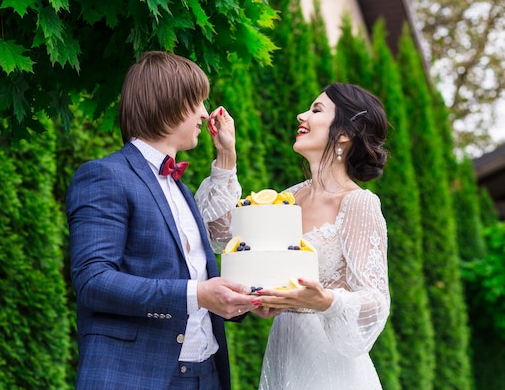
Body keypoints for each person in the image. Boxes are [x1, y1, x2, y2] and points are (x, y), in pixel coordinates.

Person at [65, 51, 256, 390]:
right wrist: (196, 294)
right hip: (137, 376)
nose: (203, 113)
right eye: (196, 101)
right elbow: (93, 281)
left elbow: (197, 275)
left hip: (207, 375)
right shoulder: (104, 175)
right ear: (167, 102)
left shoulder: (180, 189)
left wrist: (247, 302)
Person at [197, 82, 391, 390]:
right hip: (284, 349)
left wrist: (324, 301)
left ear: (344, 133)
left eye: (316, 110)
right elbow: (220, 236)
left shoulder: (358, 203)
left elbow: (375, 301)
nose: (302, 115)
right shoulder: (289, 198)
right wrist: (226, 155)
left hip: (331, 363)